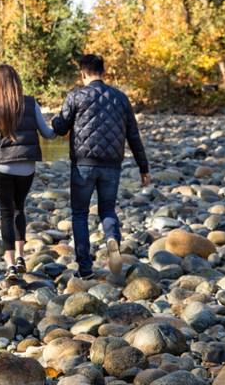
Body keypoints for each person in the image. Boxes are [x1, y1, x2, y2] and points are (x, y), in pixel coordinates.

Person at [51, 54, 151, 280]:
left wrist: (52, 123)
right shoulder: (121, 98)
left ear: (83, 73)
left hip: (83, 164)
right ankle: (111, 237)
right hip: (112, 166)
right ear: (103, 72)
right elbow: (133, 135)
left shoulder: (76, 95)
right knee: (107, 209)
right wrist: (143, 167)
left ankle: (85, 269)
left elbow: (62, 127)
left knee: (79, 214)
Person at [0, 64, 55, 280]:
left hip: (2, 166)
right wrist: (61, 124)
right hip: (27, 166)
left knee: (6, 213)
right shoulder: (30, 102)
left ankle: (10, 265)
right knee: (19, 208)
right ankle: (20, 257)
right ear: (17, 81)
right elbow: (47, 133)